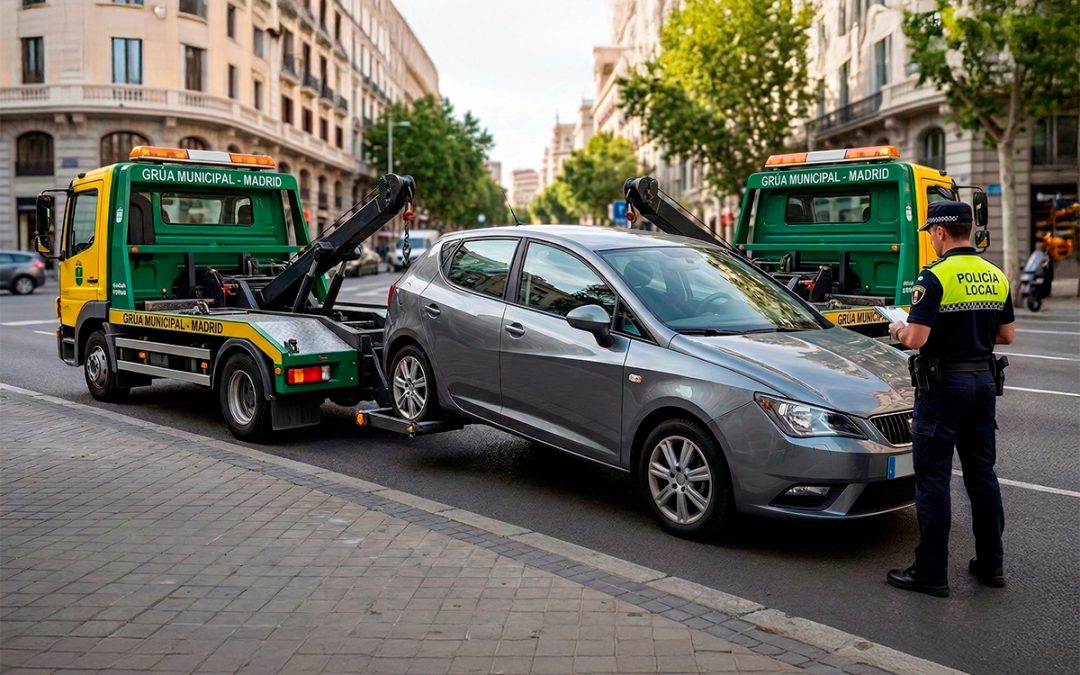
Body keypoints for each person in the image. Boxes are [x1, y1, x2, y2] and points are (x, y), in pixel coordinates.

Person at [885, 200, 1016, 598]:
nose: (931, 240)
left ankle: (930, 572)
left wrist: (898, 329)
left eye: (931, 234)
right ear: (970, 231)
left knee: (933, 479)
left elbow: (916, 339)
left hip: (943, 387)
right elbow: (1007, 336)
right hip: (982, 383)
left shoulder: (935, 277)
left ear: (941, 233)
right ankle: (991, 564)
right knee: (982, 476)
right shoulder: (996, 275)